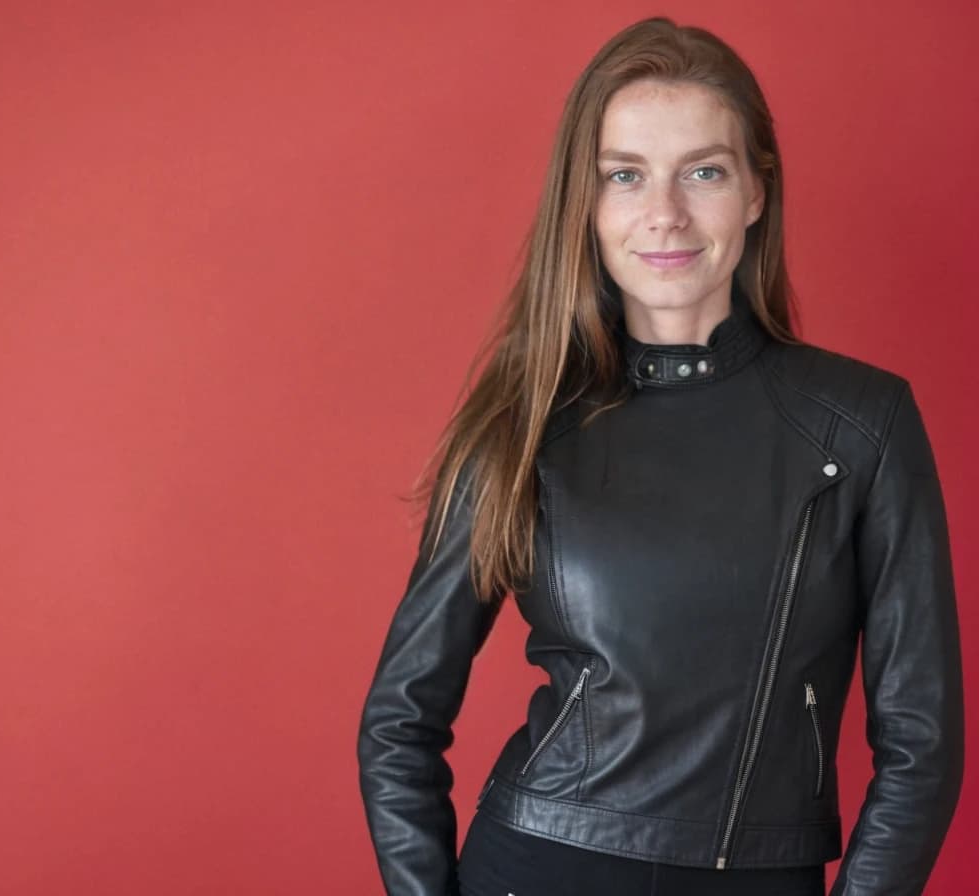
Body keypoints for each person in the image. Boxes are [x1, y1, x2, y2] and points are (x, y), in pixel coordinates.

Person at [356, 16, 964, 896]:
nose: (665, 214)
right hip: (534, 867)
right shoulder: (524, 423)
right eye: (625, 176)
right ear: (588, 202)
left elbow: (922, 744)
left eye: (705, 172)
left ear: (757, 191)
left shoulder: (862, 424)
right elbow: (397, 722)